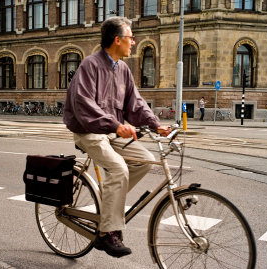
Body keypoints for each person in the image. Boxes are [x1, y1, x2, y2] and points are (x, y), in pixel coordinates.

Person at [63, 16, 168, 258]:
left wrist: (156, 125)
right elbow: (83, 104)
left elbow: (136, 103)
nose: (134, 42)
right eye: (130, 37)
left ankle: (110, 197)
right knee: (119, 170)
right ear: (117, 39)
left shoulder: (123, 70)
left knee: (145, 160)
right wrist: (115, 124)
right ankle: (106, 233)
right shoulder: (90, 65)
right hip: (89, 131)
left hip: (111, 131)